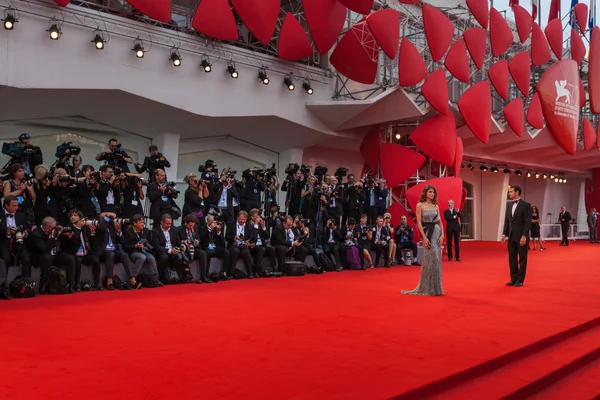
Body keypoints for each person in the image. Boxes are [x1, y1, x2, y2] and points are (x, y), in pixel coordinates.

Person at [402, 185, 444, 296]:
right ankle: (427, 288)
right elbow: (419, 223)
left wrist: (442, 235)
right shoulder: (419, 205)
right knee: (430, 259)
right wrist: (424, 238)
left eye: (433, 192)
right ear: (425, 193)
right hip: (427, 234)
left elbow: (440, 222)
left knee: (437, 260)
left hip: (436, 232)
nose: (432, 194)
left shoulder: (436, 206)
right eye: (430, 192)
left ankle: (437, 289)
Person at [501, 185, 531, 287]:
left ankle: (520, 280)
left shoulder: (526, 205)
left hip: (521, 236)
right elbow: (507, 221)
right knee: (512, 258)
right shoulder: (509, 205)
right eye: (509, 192)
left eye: (511, 192)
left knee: (522, 259)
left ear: (517, 192)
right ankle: (513, 278)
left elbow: (527, 222)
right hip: (511, 236)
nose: (509, 194)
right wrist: (504, 234)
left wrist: (524, 236)